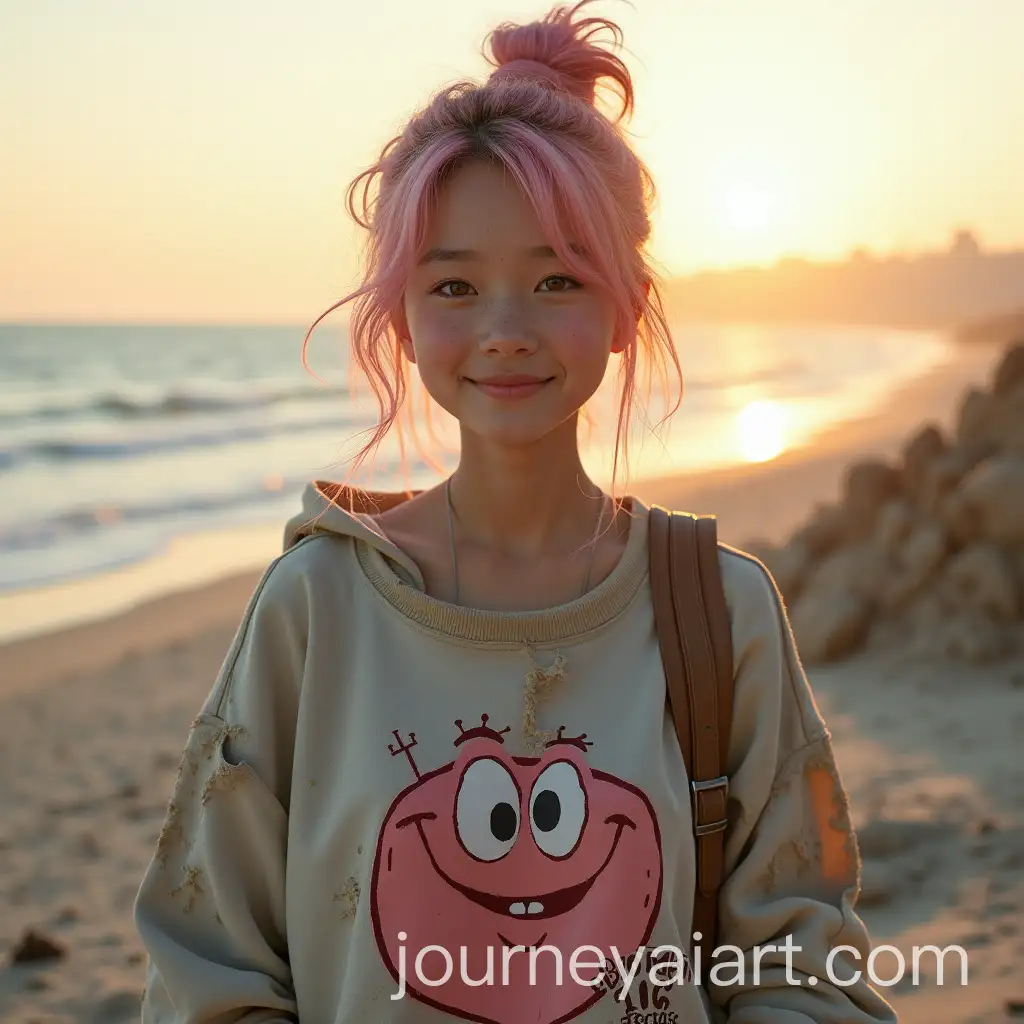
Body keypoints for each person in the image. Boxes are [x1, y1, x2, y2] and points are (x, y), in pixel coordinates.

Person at [134, 3, 897, 1021]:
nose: (504, 329)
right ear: (402, 317)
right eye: (454, 286)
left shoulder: (719, 610)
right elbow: (209, 963)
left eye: (556, 279)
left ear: (626, 306)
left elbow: (804, 961)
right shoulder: (315, 607)